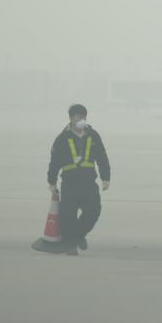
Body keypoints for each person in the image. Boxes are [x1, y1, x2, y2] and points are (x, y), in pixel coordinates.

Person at [47, 104, 111, 255]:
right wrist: (51, 181)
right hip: (70, 183)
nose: (81, 119)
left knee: (94, 211)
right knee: (68, 214)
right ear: (71, 119)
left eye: (83, 116)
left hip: (89, 182)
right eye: (78, 116)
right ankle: (71, 244)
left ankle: (79, 235)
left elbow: (102, 157)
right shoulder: (62, 138)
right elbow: (54, 161)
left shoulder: (93, 135)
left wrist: (105, 177)